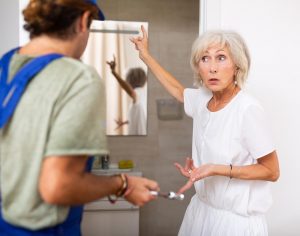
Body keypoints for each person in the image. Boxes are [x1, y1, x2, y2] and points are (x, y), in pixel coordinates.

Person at [0, 1, 159, 235]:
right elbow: (58, 186)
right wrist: (122, 183)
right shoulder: (77, 78)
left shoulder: (5, 65)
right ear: (84, 21)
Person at [131, 26, 280, 236]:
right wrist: (145, 55)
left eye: (221, 58)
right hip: (201, 212)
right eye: (204, 58)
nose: (212, 68)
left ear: (237, 65)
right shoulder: (202, 99)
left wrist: (216, 169)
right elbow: (177, 90)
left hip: (235, 224)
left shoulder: (247, 109)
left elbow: (272, 171)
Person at [107, 56, 147, 135]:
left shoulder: (137, 93)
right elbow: (139, 116)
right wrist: (125, 122)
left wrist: (114, 73)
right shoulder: (143, 94)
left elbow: (130, 91)